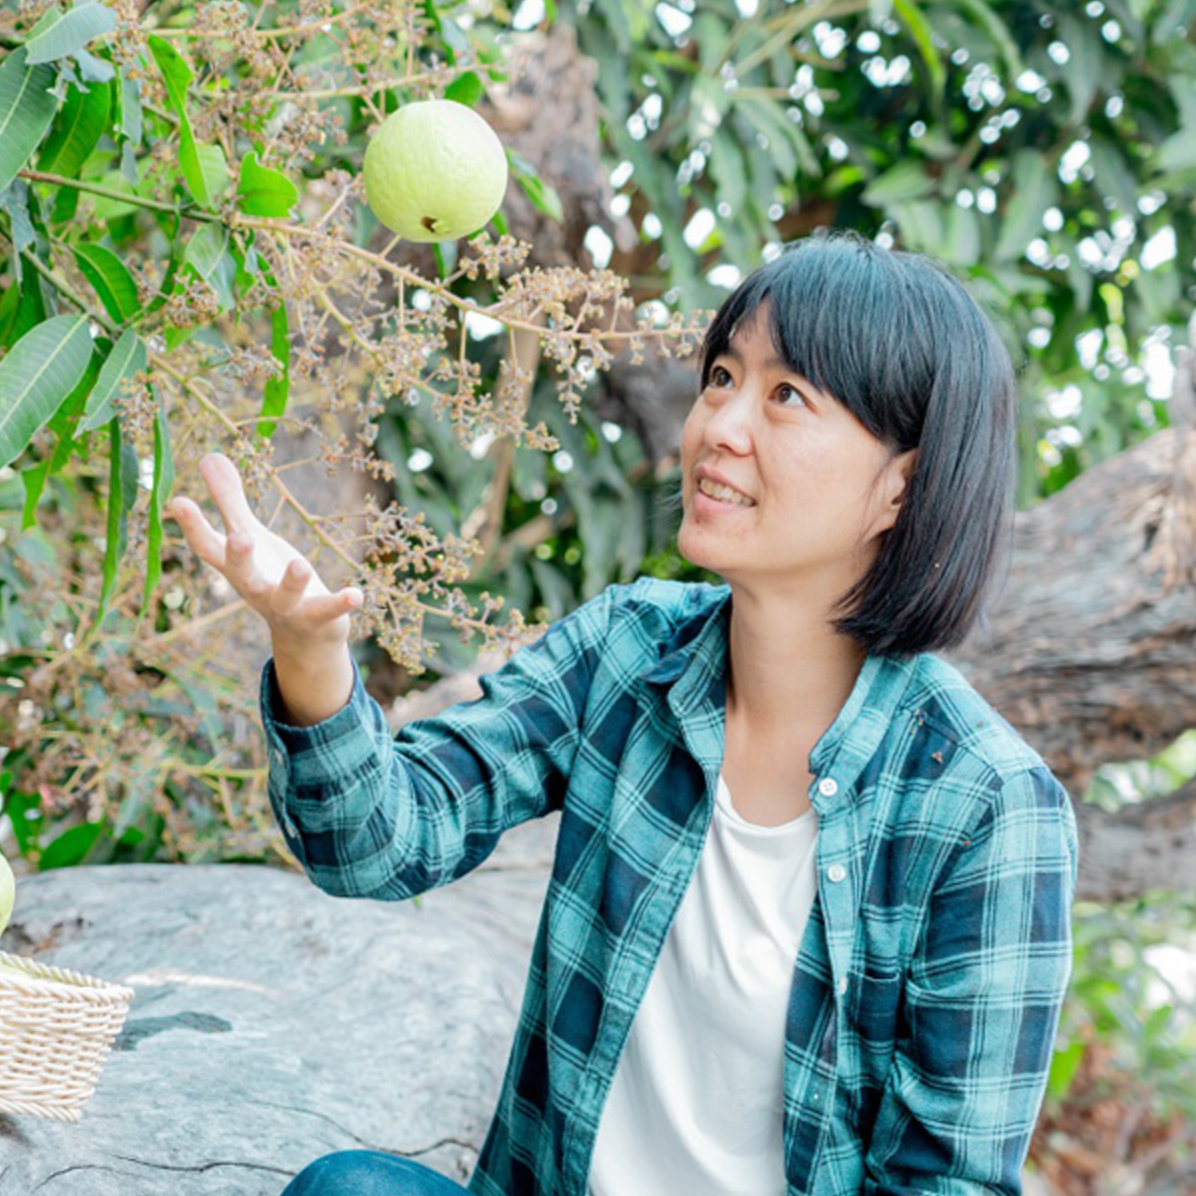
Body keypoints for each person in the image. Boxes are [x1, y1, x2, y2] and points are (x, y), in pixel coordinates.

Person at [166, 228, 1079, 1196]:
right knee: (347, 1188)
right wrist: (309, 649)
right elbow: (379, 842)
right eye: (722, 376)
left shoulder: (986, 806)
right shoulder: (631, 649)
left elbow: (944, 1181)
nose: (719, 424)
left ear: (900, 481)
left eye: (785, 396)